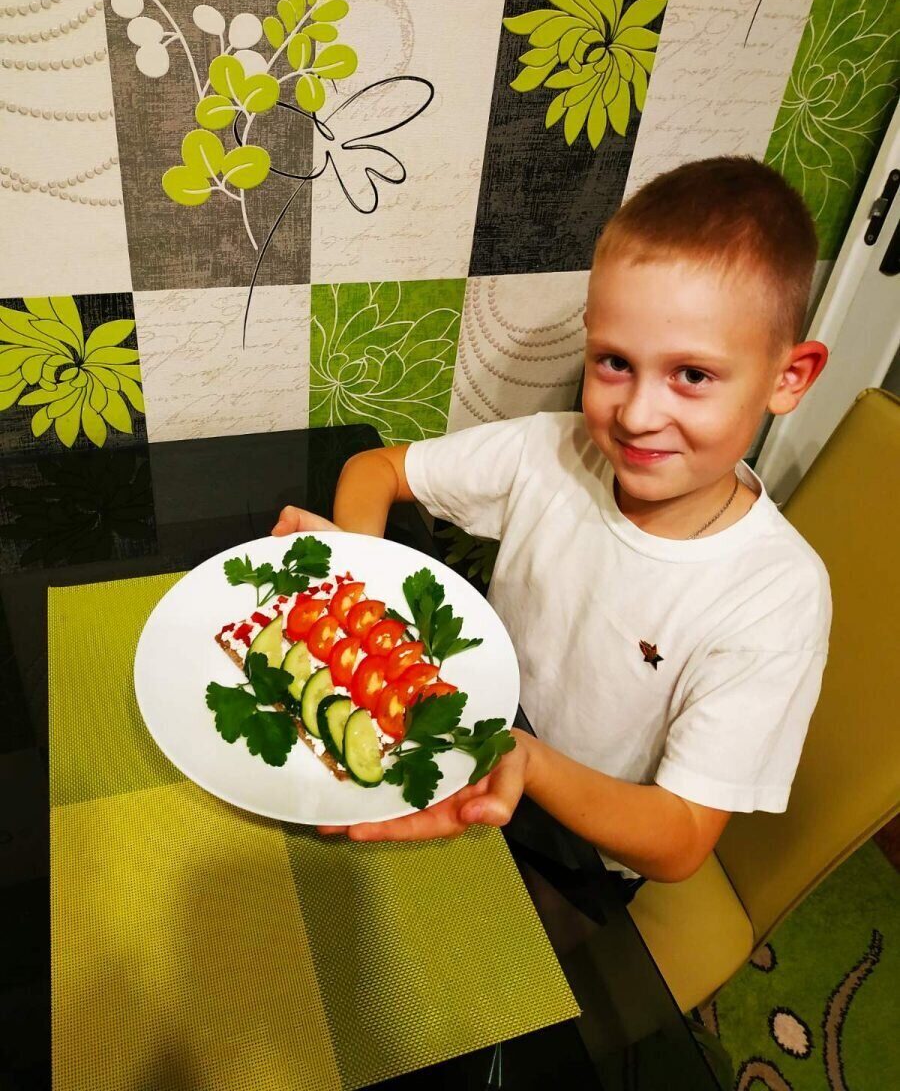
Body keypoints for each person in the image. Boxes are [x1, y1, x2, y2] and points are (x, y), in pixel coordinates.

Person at [273, 156, 832, 900]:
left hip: (576, 853)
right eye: (615, 362)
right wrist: (358, 574)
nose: (637, 415)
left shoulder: (776, 594)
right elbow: (374, 469)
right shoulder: (553, 450)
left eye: (692, 375)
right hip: (459, 741)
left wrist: (527, 762)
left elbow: (680, 841)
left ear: (788, 378)